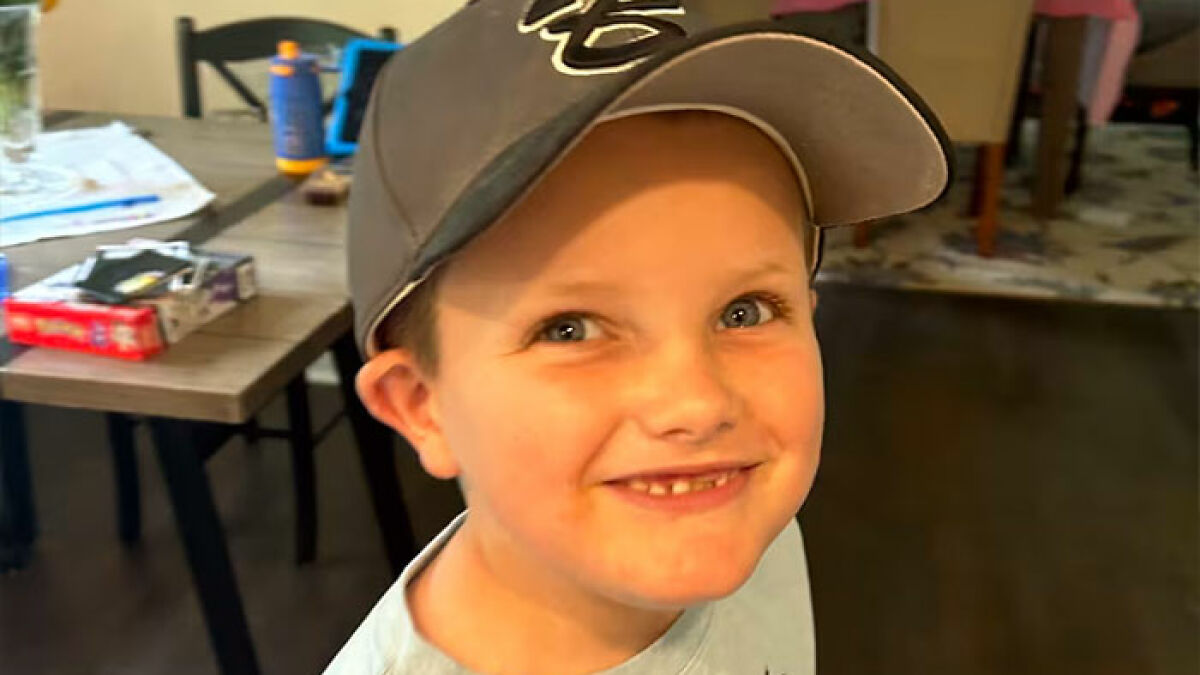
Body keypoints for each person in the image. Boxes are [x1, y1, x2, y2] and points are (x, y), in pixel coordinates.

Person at [327, 1, 951, 673]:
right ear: (422, 404)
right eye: (570, 329)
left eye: (745, 311)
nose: (699, 405)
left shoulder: (729, 504)